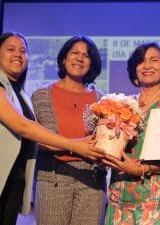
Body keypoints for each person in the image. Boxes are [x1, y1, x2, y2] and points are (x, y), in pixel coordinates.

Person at [0, 32, 104, 225]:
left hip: (10, 184)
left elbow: (38, 137)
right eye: (10, 49)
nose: (18, 54)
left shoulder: (21, 95)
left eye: (23, 51)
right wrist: (75, 145)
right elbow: (23, 126)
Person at [102, 42, 160, 225]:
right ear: (135, 70)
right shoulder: (122, 105)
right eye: (141, 61)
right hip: (122, 199)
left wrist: (143, 169)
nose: (147, 65)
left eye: (154, 60)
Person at [31, 35, 106, 225]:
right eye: (75, 53)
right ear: (64, 58)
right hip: (52, 177)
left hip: (91, 180)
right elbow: (35, 139)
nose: (80, 58)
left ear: (92, 63)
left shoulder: (103, 100)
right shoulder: (41, 96)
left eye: (86, 55)